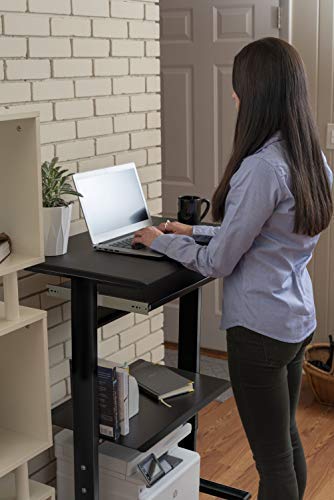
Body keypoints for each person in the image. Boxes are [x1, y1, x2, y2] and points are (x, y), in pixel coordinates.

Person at [132, 37, 333, 499]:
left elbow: (220, 261)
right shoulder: (311, 160)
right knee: (285, 440)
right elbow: (263, 239)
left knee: (272, 459)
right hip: (295, 319)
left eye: (238, 87)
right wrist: (189, 232)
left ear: (256, 93)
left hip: (258, 332)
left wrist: (162, 241)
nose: (233, 96)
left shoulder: (262, 168)